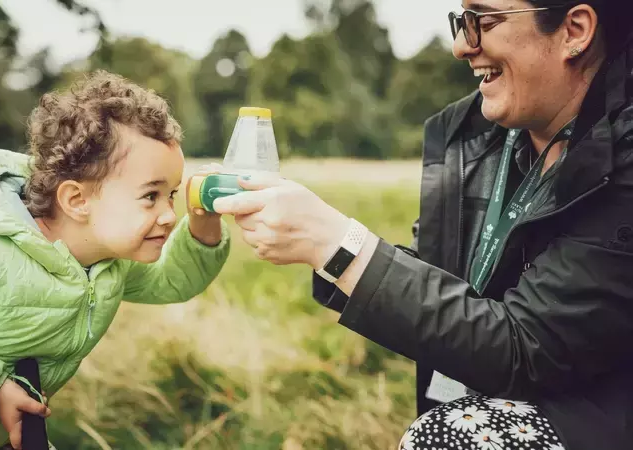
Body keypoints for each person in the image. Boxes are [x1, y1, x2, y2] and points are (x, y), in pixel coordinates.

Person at [213, 0, 633, 449]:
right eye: (460, 21)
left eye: (483, 20)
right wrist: (327, 247)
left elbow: (525, 346)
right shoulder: (476, 136)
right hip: (508, 401)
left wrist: (338, 245)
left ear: (575, 30)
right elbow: (450, 287)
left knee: (447, 437)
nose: (460, 46)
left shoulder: (623, 159)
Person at [0, 70, 230, 449]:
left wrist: (203, 220)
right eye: (150, 196)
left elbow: (172, 280)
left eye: (173, 195)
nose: (168, 215)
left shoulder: (105, 262)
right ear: (77, 200)